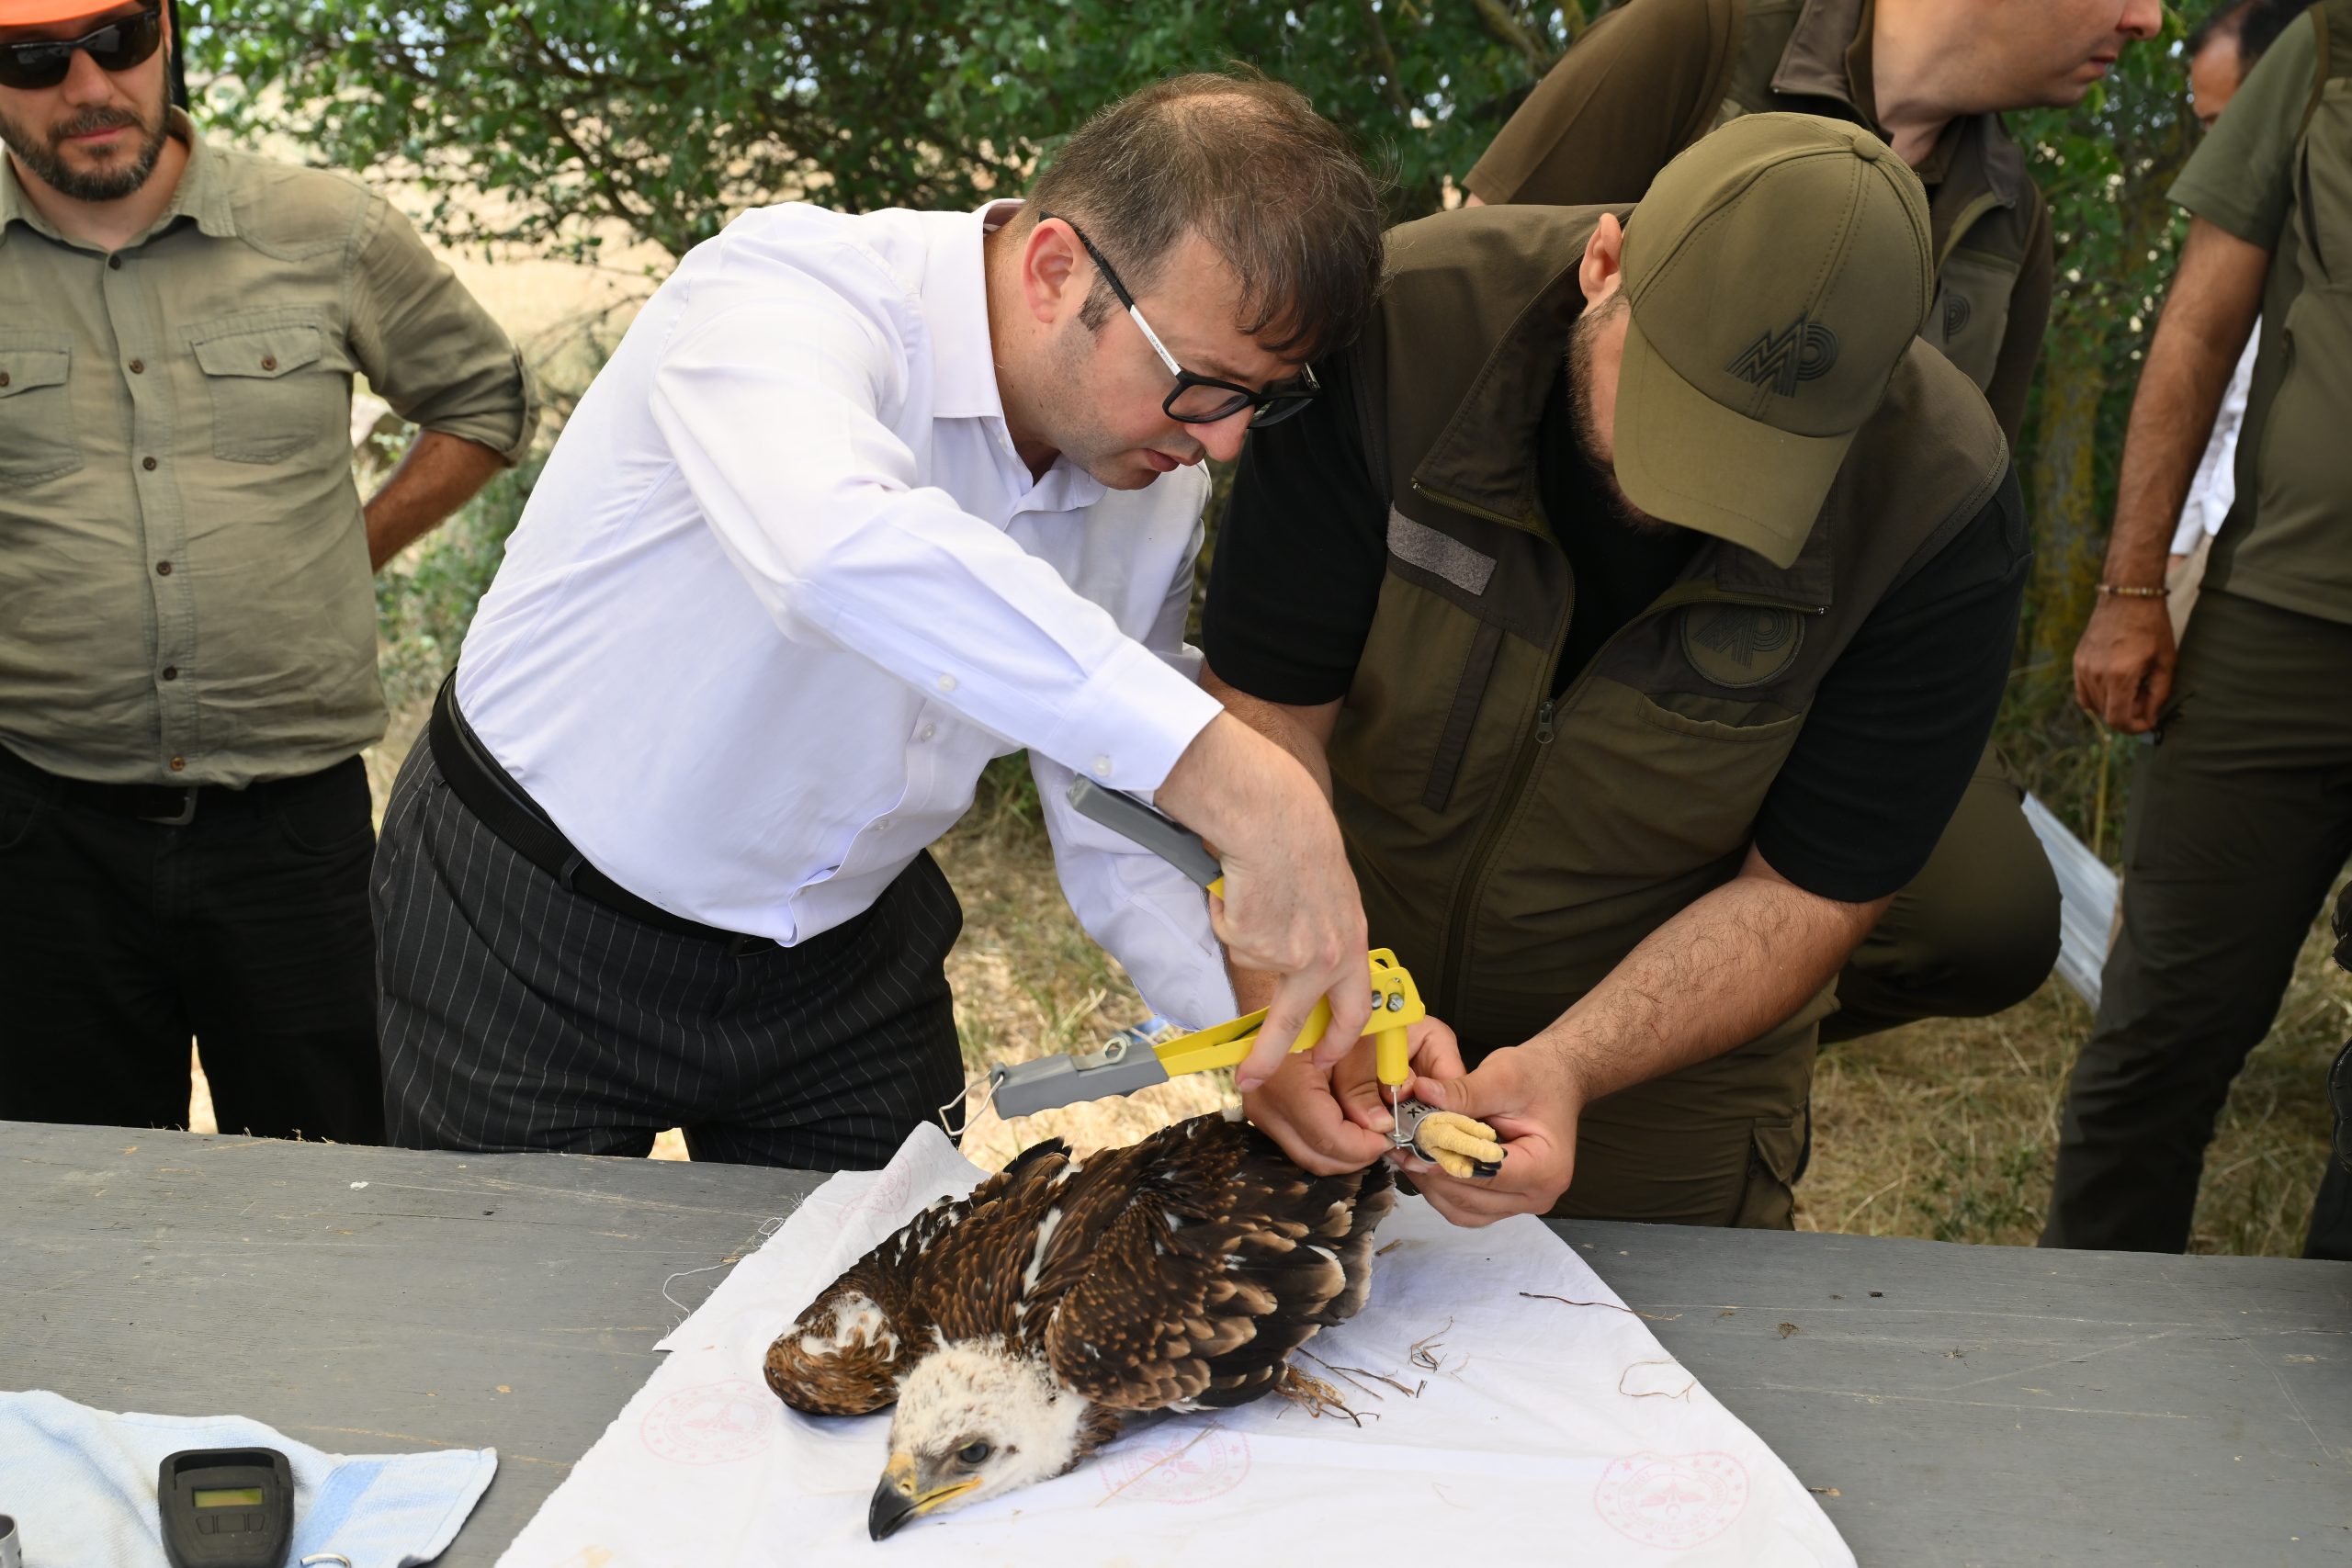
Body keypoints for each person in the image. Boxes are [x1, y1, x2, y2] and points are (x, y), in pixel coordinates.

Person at [370, 74, 1391, 1169]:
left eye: (1263, 398)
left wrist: (1271, 1042)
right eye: (1203, 383)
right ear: (1056, 270)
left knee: (883, 1315)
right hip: (531, 916)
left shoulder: (1154, 471)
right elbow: (831, 548)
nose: (1225, 444)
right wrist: (1240, 778)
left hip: (846, 956)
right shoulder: (787, 289)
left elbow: (1107, 788)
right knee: (519, 1317)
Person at [1204, 113, 2029, 1228]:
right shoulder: (1402, 329)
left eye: (1761, 458)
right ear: (1604, 263)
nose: (1687, 491)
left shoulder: (1940, 503)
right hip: (1352, 972)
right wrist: (1307, 999)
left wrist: (1576, 1064)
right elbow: (1268, 717)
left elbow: (1805, 892)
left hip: (1665, 1059)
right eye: (1673, 404)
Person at [1462, 0, 2165, 1046]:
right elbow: (1480, 298)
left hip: (1816, 627)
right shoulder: (1696, 41)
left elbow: (1964, 504)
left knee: (1988, 917)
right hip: (1556, 568)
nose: (2147, 19)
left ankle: (1687, 1024)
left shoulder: (2010, 214)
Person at [0, 0, 536, 1143]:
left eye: (118, 43)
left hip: (293, 837)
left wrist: (353, 546)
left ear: (170, 34)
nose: (88, 87)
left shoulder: (322, 226)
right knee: (72, 1196)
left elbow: (482, 400)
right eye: (33, 59)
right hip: (40, 836)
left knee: (335, 1177)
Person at [2055, 0, 2352, 1258]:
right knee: (2158, 1038)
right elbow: (2197, 321)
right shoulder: (2331, 45)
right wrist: (2130, 589)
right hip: (2285, 625)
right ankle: (2088, 1379)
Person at [2165, 0, 2312, 641]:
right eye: (2205, 128)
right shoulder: (2232, 245)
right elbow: (2217, 404)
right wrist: (2170, 551)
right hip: (2218, 548)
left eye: (2227, 126)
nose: (2212, 157)